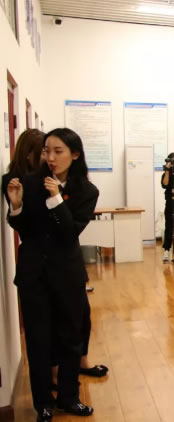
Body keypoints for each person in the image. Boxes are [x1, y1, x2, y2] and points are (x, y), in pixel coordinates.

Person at [7, 128, 98, 421]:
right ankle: (43, 403)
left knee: (71, 337)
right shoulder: (31, 183)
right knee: (38, 339)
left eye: (58, 151)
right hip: (34, 273)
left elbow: (70, 233)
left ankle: (69, 397)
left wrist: (57, 198)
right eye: (47, 151)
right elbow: (25, 229)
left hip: (67, 274)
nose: (51, 157)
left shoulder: (87, 191)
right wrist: (16, 206)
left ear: (75, 154)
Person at [2, 128, 45, 202]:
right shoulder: (13, 182)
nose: (49, 157)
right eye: (43, 153)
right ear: (28, 154)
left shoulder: (48, 175)